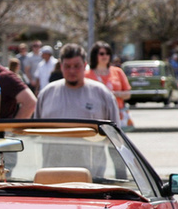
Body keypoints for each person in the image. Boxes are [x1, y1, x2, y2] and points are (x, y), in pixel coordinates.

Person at [34, 43, 119, 175]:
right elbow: (36, 133)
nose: (72, 71)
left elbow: (116, 138)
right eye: (67, 66)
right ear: (61, 66)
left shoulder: (102, 94)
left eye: (77, 66)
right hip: (52, 174)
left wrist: (121, 174)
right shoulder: (47, 94)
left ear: (85, 65)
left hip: (92, 177)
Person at [85, 41, 132, 128]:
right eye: (102, 54)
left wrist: (115, 94)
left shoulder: (118, 71)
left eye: (108, 53)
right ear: (95, 55)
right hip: (95, 115)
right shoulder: (86, 75)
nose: (105, 56)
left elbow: (128, 94)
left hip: (117, 114)